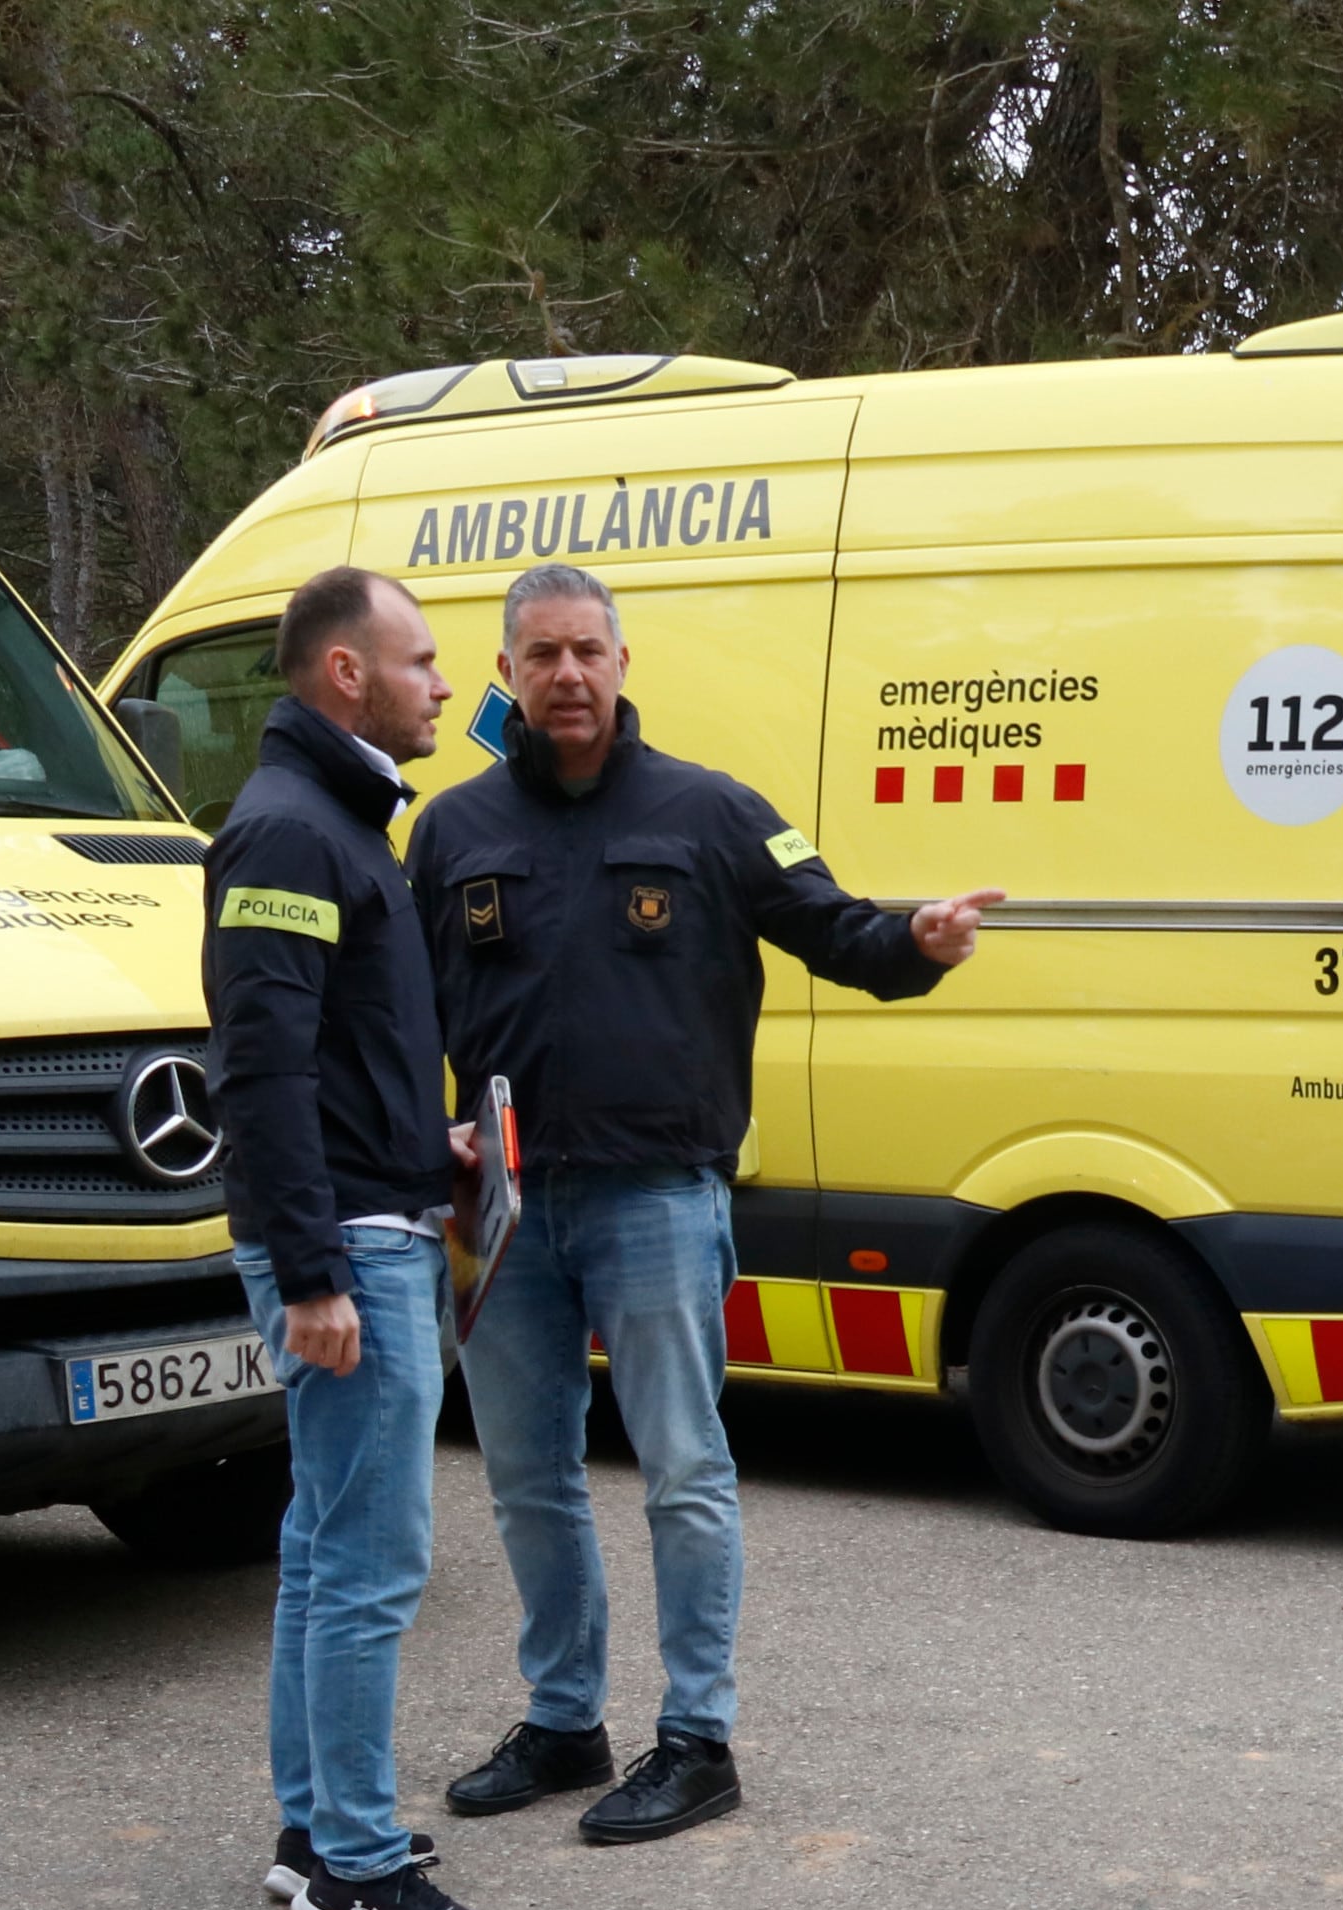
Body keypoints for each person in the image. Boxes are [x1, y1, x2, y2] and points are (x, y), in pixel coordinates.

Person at [413, 563, 1001, 1843]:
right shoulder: (452, 833)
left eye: (587, 651)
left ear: (623, 665)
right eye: (541, 655)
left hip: (657, 1197)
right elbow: (408, 1014)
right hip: (505, 1206)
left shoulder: (714, 814)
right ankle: (565, 1721)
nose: (566, 675)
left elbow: (839, 930)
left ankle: (698, 1740)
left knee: (682, 1468)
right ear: (506, 674)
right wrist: (425, 1139)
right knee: (526, 1475)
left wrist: (921, 942)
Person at [204, 566, 496, 1910]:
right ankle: (358, 1871)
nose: (448, 683)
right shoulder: (287, 833)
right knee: (372, 1560)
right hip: (347, 1260)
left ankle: (315, 1828)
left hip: (370, 1217)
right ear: (345, 675)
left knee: (324, 1551)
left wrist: (418, 1145)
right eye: (424, 660)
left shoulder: (335, 819)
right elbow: (257, 1073)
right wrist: (316, 1270)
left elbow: (329, 1058)